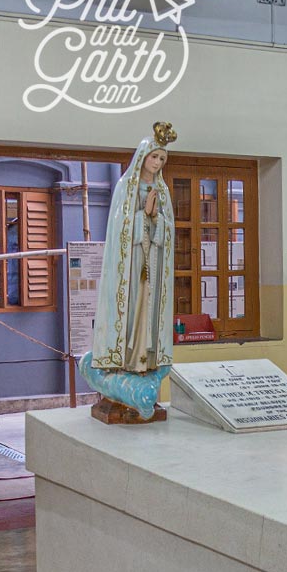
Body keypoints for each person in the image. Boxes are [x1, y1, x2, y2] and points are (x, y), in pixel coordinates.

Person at [77, 121, 179, 418]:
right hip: (130, 269)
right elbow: (120, 228)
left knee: (148, 313)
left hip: (152, 266)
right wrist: (142, 215)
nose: (158, 163)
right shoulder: (125, 186)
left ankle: (144, 363)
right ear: (143, 157)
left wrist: (157, 220)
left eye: (162, 159)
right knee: (132, 311)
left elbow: (168, 229)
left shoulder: (162, 190)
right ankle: (123, 363)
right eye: (154, 157)